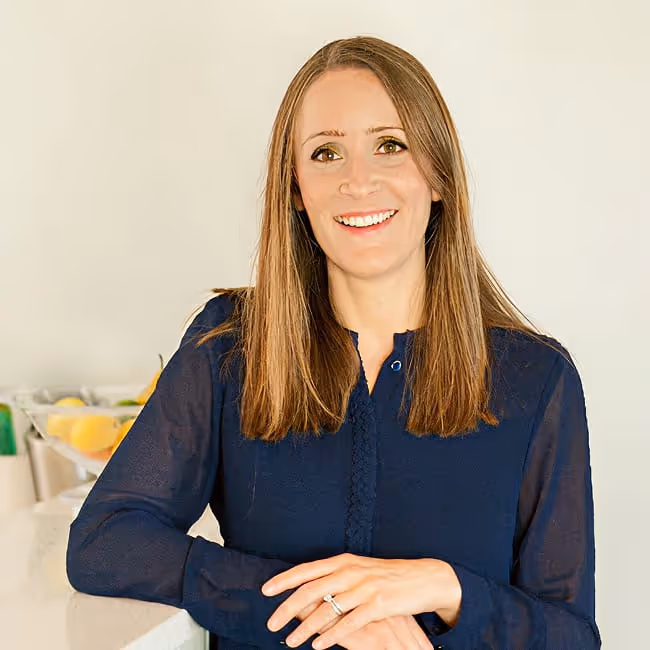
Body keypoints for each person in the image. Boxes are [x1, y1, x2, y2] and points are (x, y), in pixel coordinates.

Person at [66, 35, 601, 649]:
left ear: (438, 176)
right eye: (326, 154)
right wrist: (329, 605)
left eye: (390, 146)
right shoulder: (228, 346)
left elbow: (571, 636)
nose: (359, 180)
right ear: (296, 188)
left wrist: (444, 588)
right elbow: (105, 542)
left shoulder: (536, 377)